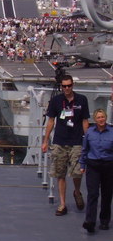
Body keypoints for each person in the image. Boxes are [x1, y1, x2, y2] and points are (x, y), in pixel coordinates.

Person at [42, 74, 90, 216]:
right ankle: (62, 204)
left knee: (77, 173)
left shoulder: (82, 99)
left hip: (77, 141)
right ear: (61, 87)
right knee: (60, 173)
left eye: (69, 85)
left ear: (73, 85)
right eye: (64, 86)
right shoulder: (56, 101)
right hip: (60, 141)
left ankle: (76, 191)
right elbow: (51, 121)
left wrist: (87, 141)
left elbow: (85, 121)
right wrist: (45, 141)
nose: (67, 88)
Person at [79, 108, 113, 233]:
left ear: (106, 117)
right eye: (98, 117)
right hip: (93, 165)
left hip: (108, 166)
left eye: (103, 117)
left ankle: (104, 221)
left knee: (107, 194)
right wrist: (82, 164)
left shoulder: (112, 132)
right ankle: (90, 222)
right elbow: (85, 149)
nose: (101, 119)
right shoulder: (89, 132)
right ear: (95, 119)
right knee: (92, 194)